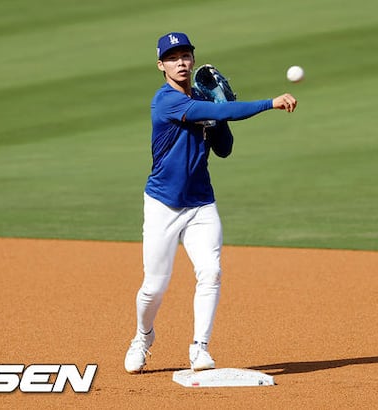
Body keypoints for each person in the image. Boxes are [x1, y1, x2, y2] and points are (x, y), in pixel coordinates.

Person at [124, 32, 298, 373]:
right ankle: (142, 337)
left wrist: (219, 115)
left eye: (185, 55)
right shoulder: (165, 101)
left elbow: (224, 149)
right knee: (154, 287)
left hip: (201, 204)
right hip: (162, 204)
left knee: (211, 272)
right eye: (172, 58)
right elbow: (219, 112)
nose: (181, 62)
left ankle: (200, 347)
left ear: (192, 59)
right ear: (161, 65)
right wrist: (268, 103)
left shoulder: (203, 101)